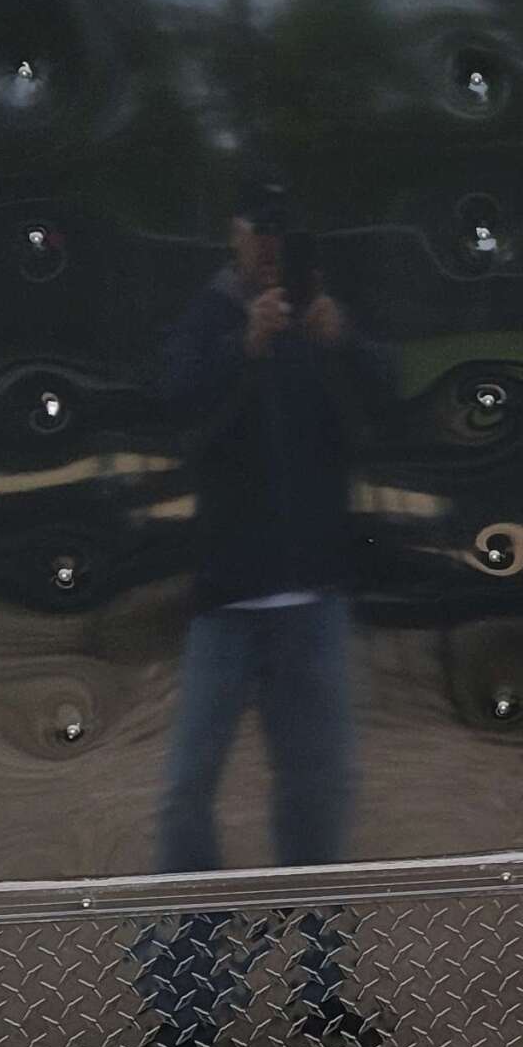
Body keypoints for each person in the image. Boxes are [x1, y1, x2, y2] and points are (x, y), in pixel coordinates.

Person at [157, 183, 391, 877]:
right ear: (232, 232)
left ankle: (316, 968)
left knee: (319, 793)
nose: (266, 244)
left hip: (314, 599)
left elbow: (392, 400)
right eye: (256, 227)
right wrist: (243, 345)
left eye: (279, 230)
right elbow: (175, 404)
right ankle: (191, 973)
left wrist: (343, 339)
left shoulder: (325, 315)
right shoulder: (209, 316)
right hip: (227, 598)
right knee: (184, 793)